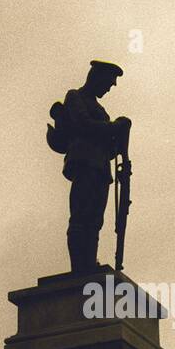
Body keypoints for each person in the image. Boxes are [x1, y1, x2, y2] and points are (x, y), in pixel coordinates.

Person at [58, 60, 130, 272]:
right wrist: (115, 126)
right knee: (81, 215)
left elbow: (107, 146)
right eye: (108, 83)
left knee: (95, 219)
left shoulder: (100, 109)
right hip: (84, 164)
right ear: (96, 77)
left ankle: (89, 263)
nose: (108, 88)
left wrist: (118, 144)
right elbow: (84, 126)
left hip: (100, 168)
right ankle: (79, 268)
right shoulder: (75, 97)